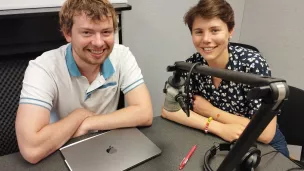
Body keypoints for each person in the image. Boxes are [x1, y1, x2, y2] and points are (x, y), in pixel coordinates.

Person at [15, 0, 153, 164]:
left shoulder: (122, 56)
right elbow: (31, 148)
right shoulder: (43, 68)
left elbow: (144, 113)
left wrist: (88, 123)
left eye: (106, 32)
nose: (98, 43)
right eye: (87, 33)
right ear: (68, 33)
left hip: (108, 149)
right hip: (58, 152)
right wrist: (78, 115)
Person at [161, 0, 289, 157]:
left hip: (265, 147)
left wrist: (210, 111)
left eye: (214, 30)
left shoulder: (252, 64)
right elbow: (170, 111)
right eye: (199, 32)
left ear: (230, 31)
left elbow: (265, 133)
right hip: (221, 138)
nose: (206, 39)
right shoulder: (192, 65)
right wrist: (216, 127)